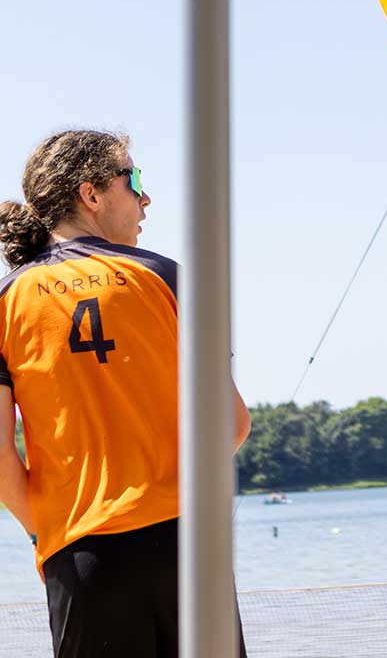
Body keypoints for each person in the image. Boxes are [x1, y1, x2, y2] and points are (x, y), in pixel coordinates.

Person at [0, 129, 251, 658]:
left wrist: (46, 534)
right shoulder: (166, 278)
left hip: (82, 556)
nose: (145, 197)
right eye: (133, 179)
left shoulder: (7, 301)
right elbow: (232, 425)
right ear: (90, 194)